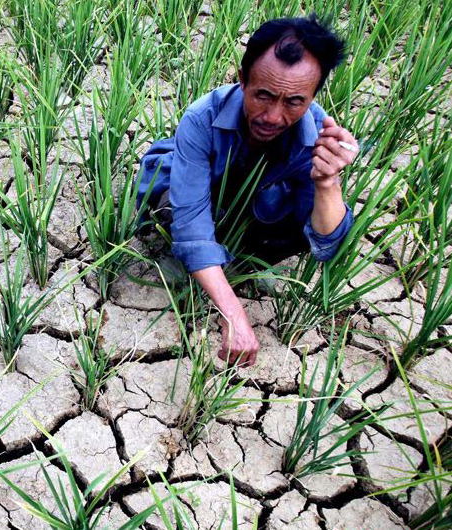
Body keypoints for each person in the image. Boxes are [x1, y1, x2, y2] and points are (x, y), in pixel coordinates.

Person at [136, 15, 358, 367]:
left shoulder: (315, 135)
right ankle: (216, 266)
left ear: (312, 97)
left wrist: (327, 182)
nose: (273, 116)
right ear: (242, 81)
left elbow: (323, 245)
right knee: (169, 213)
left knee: (292, 224)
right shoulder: (202, 118)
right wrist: (234, 313)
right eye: (264, 96)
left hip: (249, 204)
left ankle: (229, 257)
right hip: (190, 193)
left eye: (294, 102)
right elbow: (190, 222)